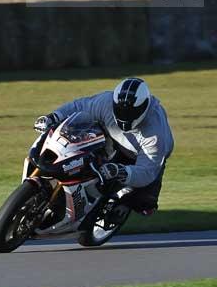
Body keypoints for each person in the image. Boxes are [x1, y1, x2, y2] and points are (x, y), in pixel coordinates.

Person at [33, 77, 174, 214]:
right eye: (121, 110)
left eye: (131, 112)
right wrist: (53, 117)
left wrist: (122, 171)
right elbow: (79, 106)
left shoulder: (155, 136)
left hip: (139, 156)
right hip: (109, 135)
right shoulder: (105, 102)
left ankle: (115, 210)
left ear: (144, 108)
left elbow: (147, 171)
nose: (125, 115)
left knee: (144, 203)